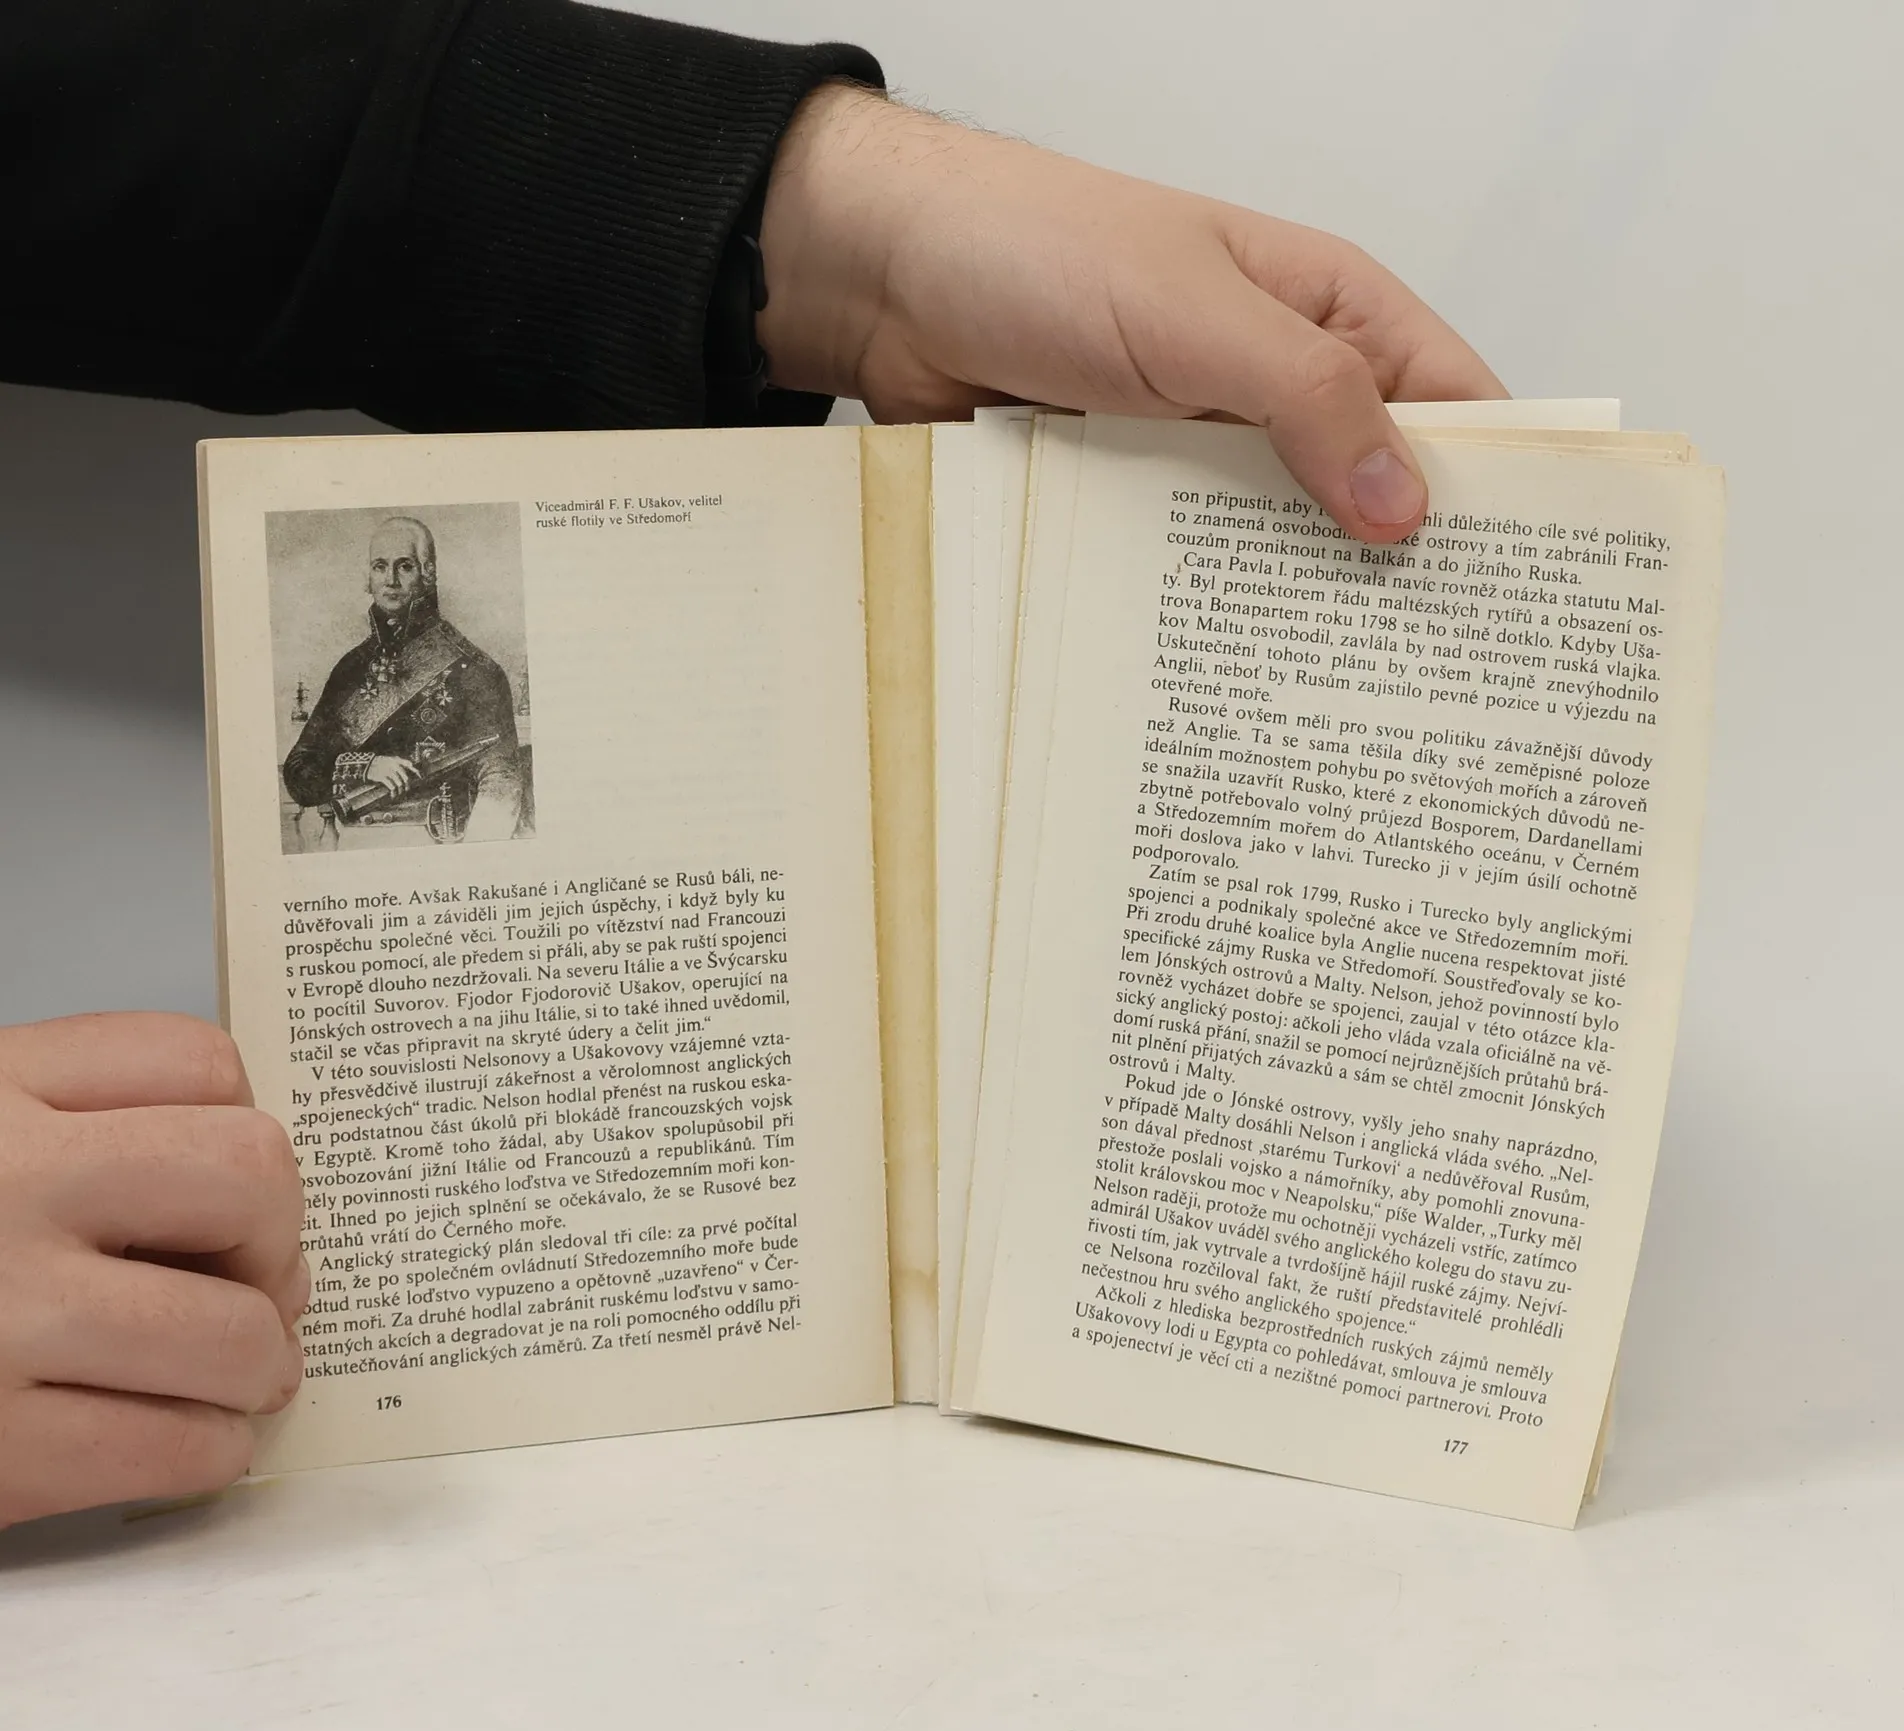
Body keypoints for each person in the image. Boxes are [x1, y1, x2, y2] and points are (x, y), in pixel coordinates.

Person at [0, 0, 1505, 1526]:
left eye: (403, 572)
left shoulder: (473, 676)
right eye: (374, 577)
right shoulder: (347, 675)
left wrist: (855, 229)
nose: (386, 592)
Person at [281, 515, 526, 848]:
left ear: (428, 574)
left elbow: (501, 783)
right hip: (353, 846)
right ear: (368, 577)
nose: (391, 580)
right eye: (380, 566)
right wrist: (364, 766)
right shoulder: (350, 669)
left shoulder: (475, 670)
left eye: (405, 566)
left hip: (439, 845)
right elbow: (299, 772)